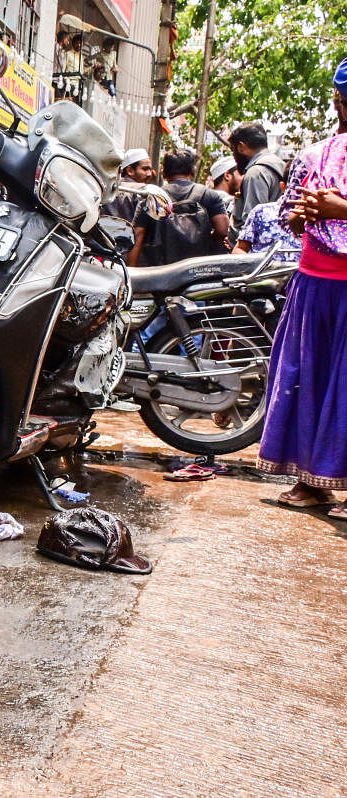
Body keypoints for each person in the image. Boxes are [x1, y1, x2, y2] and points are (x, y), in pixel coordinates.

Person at [259, 57, 347, 518]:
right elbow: (288, 217)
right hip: (315, 281)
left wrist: (340, 208)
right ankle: (312, 482)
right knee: (305, 380)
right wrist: (304, 214)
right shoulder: (314, 156)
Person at [127, 149, 229, 267]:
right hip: (198, 269)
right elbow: (223, 230)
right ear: (193, 171)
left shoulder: (153, 197)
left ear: (164, 172)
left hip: (160, 270)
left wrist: (131, 272)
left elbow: (138, 234)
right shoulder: (209, 195)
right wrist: (204, 238)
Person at [228, 121, 285, 229]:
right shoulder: (281, 165)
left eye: (233, 150)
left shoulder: (256, 173)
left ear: (240, 147)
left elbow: (253, 224)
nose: (234, 156)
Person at [102, 147, 155, 222]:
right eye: (145, 169)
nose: (149, 174)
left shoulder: (109, 187)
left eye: (150, 169)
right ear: (130, 170)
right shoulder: (142, 190)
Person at [208, 154, 238, 222]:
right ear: (227, 175)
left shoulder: (205, 199)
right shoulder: (230, 202)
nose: (244, 177)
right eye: (241, 173)